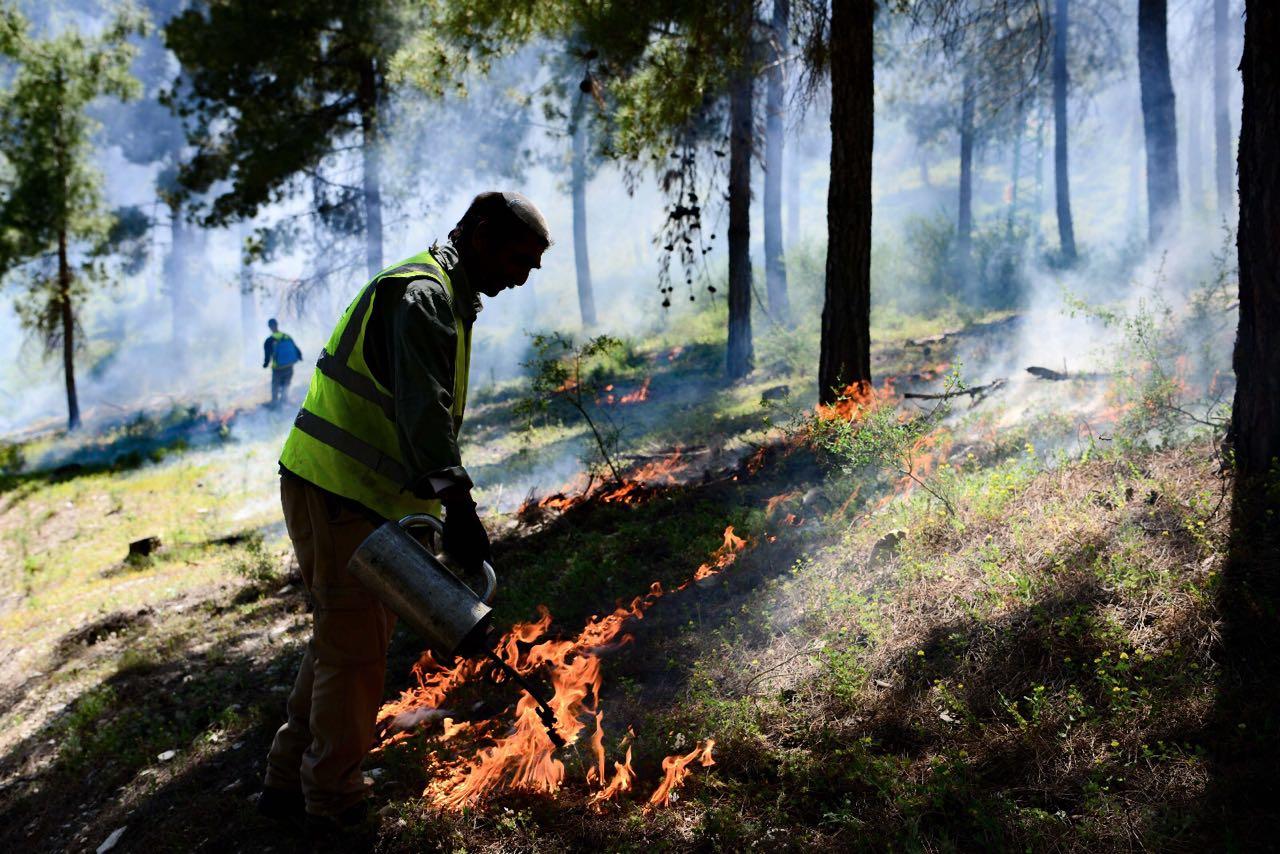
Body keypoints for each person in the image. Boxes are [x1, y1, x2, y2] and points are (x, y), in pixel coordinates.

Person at [258, 192, 551, 838]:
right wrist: (460, 506)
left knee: (344, 637)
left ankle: (286, 781)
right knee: (356, 651)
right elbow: (423, 410)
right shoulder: (423, 297)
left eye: (532, 265)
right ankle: (332, 805)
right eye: (516, 258)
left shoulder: (443, 293)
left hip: (360, 495)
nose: (522, 276)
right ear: (477, 235)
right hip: (337, 490)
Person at [263, 319, 303, 408]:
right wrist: (300, 358)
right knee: (286, 386)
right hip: (289, 366)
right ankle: (284, 403)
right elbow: (297, 350)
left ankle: (275, 405)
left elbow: (267, 356)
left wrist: (265, 364)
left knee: (275, 387)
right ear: (277, 325)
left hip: (278, 369)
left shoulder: (270, 340)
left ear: (270, 327)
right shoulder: (287, 336)